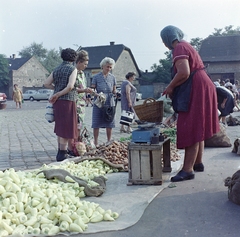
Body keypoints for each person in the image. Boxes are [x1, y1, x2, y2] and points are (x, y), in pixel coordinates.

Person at [160, 25, 220, 182]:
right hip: (203, 84)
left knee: (191, 125)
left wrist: (170, 87)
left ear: (167, 38)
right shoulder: (186, 45)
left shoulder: (179, 48)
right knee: (198, 125)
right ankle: (198, 162)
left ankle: (187, 170)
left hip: (196, 87)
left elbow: (184, 72)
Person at [44, 48, 78, 162]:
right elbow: (70, 86)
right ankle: (63, 154)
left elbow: (46, 83)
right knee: (66, 127)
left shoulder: (57, 69)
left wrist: (56, 89)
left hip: (58, 103)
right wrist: (59, 92)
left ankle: (60, 151)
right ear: (74, 58)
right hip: (68, 101)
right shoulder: (73, 69)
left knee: (60, 126)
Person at [91, 57, 117, 146]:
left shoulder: (112, 77)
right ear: (102, 66)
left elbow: (114, 90)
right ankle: (96, 142)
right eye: (107, 67)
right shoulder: (96, 77)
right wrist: (95, 94)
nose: (109, 69)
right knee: (96, 122)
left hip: (110, 101)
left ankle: (109, 141)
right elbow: (92, 89)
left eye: (110, 67)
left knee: (109, 122)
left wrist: (116, 93)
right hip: (99, 101)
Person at [75, 50, 93, 136]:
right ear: (79, 62)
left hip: (82, 103)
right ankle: (74, 144)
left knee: (80, 124)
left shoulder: (82, 74)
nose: (86, 66)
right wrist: (84, 90)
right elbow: (71, 88)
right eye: (85, 64)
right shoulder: (73, 72)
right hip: (75, 103)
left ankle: (78, 143)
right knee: (76, 125)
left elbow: (84, 86)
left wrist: (88, 94)